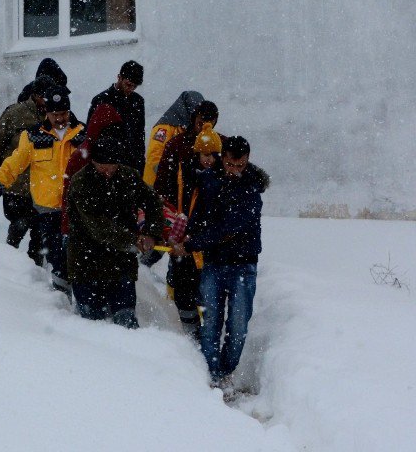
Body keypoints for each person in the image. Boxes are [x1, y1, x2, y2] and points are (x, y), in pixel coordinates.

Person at [171, 136, 269, 392]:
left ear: (247, 161)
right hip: (214, 263)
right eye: (230, 164)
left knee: (238, 325)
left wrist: (192, 244)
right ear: (222, 158)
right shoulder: (208, 181)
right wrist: (187, 234)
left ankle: (226, 371)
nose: (235, 170)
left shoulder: (252, 187)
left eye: (240, 165)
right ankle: (212, 375)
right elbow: (200, 215)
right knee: (211, 321)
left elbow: (229, 227)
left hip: (243, 265)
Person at [0, 86, 86, 297]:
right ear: (46, 112)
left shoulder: (83, 135)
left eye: (64, 114)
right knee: (57, 256)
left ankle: (85, 298)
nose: (60, 119)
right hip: (48, 211)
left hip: (78, 209)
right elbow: (13, 165)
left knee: (80, 257)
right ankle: (63, 297)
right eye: (55, 114)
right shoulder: (32, 137)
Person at [67, 136, 163, 328]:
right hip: (86, 264)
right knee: (92, 326)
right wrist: (133, 240)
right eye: (103, 166)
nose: (109, 171)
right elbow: (99, 227)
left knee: (127, 321)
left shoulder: (129, 176)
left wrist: (152, 233)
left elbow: (152, 202)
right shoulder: (80, 183)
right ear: (93, 161)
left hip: (121, 264)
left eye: (113, 165)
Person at [0, 75, 55, 264]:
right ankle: (8, 264)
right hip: (16, 184)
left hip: (41, 187)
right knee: (18, 226)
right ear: (36, 95)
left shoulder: (53, 117)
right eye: (45, 97)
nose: (48, 103)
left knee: (39, 233)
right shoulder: (14, 113)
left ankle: (34, 269)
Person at [159, 122, 224, 338]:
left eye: (212, 154)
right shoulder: (186, 175)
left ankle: (206, 335)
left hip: (206, 246)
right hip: (186, 242)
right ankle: (191, 333)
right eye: (203, 154)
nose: (207, 159)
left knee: (205, 292)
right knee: (184, 290)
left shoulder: (220, 181)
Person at [60, 103, 124, 236]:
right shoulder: (81, 157)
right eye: (108, 131)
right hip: (84, 226)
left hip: (113, 226)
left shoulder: (119, 152)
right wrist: (67, 227)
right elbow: (68, 193)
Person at [87, 60, 145, 174]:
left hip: (131, 164)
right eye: (128, 84)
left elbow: (139, 135)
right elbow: (90, 136)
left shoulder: (138, 101)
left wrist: (140, 163)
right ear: (119, 77)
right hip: (107, 165)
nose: (131, 89)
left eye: (135, 86)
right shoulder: (101, 100)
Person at [142, 91, 205, 187]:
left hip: (173, 185)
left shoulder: (190, 129)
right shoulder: (163, 128)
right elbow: (154, 155)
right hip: (153, 183)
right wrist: (169, 173)